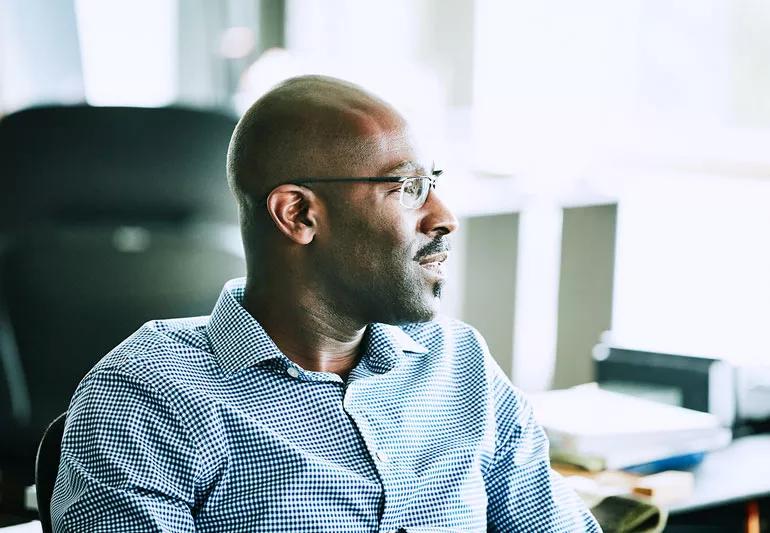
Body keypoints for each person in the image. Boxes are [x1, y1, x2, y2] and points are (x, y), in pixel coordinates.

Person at [50, 75, 600, 532]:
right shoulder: (151, 394)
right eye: (406, 188)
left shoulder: (460, 365)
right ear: (298, 215)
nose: (444, 217)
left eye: (431, 183)